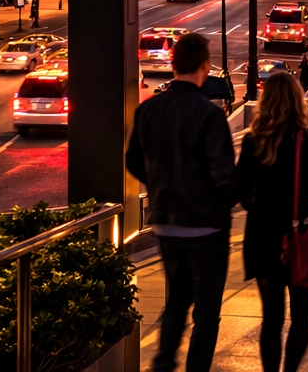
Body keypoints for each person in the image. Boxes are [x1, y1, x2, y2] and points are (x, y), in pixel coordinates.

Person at [124, 33, 235, 372]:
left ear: (172, 66)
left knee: (177, 301)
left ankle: (163, 361)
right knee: (206, 311)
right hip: (206, 225)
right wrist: (226, 200)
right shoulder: (209, 115)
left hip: (165, 222)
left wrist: (159, 186)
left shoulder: (149, 110)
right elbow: (224, 174)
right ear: (205, 65)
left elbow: (133, 161)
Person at [236, 71, 308, 372]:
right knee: (302, 314)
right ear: (296, 100)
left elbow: (240, 189)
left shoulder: (254, 140)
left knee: (272, 318)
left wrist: (259, 205)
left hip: (263, 236)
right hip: (300, 232)